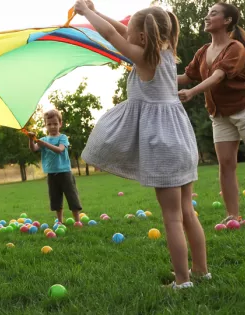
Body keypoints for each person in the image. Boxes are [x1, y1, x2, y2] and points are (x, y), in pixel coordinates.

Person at [76, 0, 210, 289]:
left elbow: (112, 36)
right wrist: (96, 11)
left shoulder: (144, 59)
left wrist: (86, 14)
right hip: (182, 140)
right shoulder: (165, 52)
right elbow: (121, 30)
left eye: (132, 33)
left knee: (172, 217)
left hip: (163, 146)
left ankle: (182, 280)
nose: (126, 35)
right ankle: (201, 270)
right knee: (187, 212)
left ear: (142, 38)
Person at [177, 2, 245, 224]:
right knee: (226, 165)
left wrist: (193, 92)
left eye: (213, 14)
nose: (207, 17)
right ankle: (233, 216)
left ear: (227, 21)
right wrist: (153, 74)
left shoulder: (236, 48)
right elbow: (186, 77)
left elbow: (217, 76)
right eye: (207, 13)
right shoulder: (203, 51)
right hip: (220, 115)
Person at [27, 109, 82, 225]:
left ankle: (77, 221)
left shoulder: (63, 138)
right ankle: (60, 221)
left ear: (60, 124)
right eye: (49, 124)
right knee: (56, 199)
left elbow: (60, 150)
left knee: (72, 197)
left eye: (55, 124)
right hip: (51, 174)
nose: (52, 126)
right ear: (45, 125)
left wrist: (45, 145)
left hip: (65, 172)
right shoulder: (43, 139)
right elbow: (33, 149)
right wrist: (31, 140)